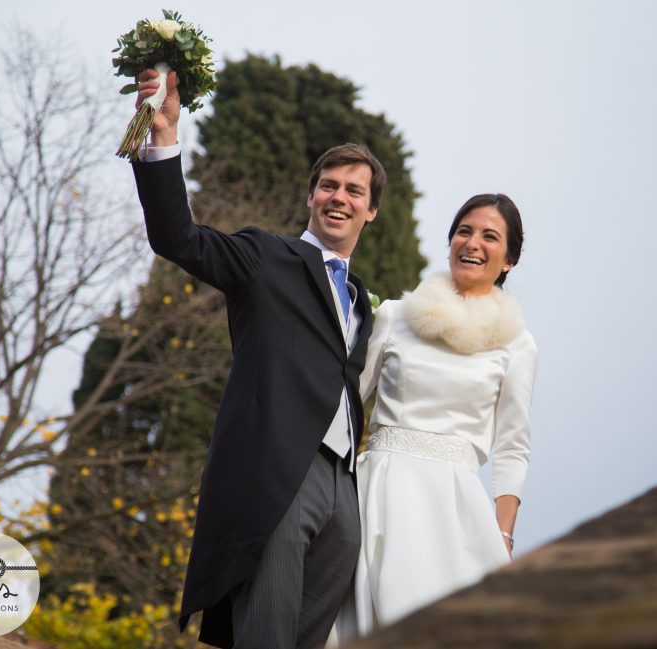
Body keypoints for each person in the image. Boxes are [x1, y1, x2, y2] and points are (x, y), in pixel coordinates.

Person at [130, 69, 382, 649]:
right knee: (265, 634)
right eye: (329, 186)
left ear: (371, 211)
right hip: (278, 476)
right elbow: (178, 237)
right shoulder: (265, 257)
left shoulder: (362, 300)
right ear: (311, 196)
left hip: (344, 493)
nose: (339, 197)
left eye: (354, 191)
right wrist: (164, 135)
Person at [352, 193, 537, 632]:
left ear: (509, 260)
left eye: (490, 237)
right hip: (377, 490)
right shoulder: (394, 317)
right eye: (464, 232)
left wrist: (503, 533)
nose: (472, 243)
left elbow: (512, 446)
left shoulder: (518, 344)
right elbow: (347, 402)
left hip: (456, 508)